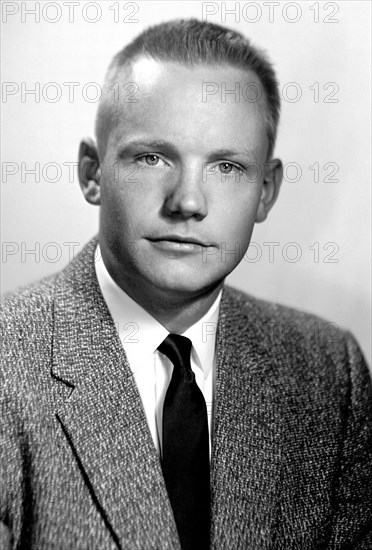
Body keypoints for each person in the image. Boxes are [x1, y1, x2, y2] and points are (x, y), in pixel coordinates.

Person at [1, 18, 371, 550]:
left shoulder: (329, 372)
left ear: (265, 191)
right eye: (152, 158)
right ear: (91, 172)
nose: (188, 202)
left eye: (226, 166)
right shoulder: (7, 364)